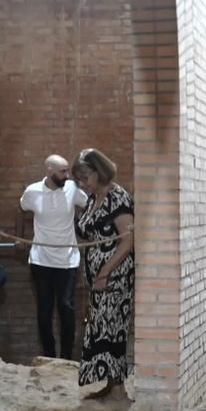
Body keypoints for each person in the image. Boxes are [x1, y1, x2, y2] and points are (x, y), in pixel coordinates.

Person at [72, 147, 134, 395]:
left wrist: (105, 271)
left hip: (115, 278)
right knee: (100, 327)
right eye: (79, 178)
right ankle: (111, 384)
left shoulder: (118, 197)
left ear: (99, 173)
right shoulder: (91, 199)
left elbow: (128, 240)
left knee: (113, 327)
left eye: (85, 177)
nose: (82, 183)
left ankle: (117, 386)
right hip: (98, 279)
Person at [20, 154, 87, 360]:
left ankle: (66, 358)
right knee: (44, 309)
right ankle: (48, 355)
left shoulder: (73, 189)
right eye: (63, 171)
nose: (67, 175)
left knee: (66, 307)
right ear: (50, 171)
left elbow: (89, 205)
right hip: (41, 260)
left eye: (67, 171)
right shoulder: (32, 192)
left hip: (68, 260)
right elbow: (23, 207)